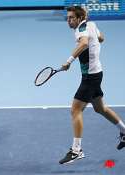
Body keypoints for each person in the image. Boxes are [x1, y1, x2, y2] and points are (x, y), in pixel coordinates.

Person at [59, 6, 125, 164]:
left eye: (71, 18)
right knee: (100, 108)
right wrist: (95, 42)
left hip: (90, 77)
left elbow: (83, 44)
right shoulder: (91, 25)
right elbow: (101, 38)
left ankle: (76, 150)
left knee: (75, 110)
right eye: (67, 18)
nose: (68, 20)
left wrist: (69, 61)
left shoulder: (81, 30)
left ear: (79, 18)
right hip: (96, 73)